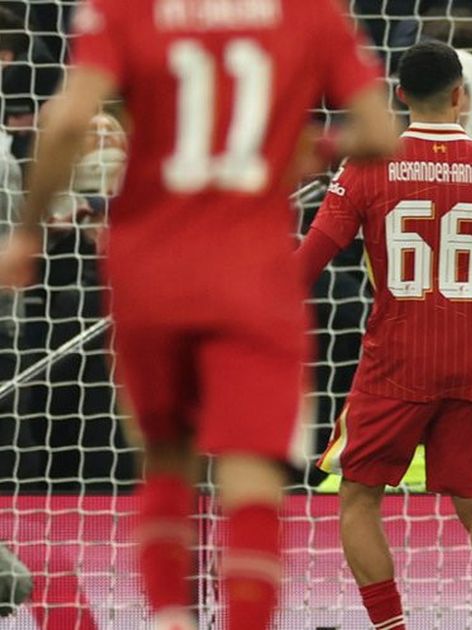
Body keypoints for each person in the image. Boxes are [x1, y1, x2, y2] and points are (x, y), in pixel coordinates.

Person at [0, 1, 397, 628]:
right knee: (250, 469)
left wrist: (25, 234)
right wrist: (306, 145)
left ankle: (168, 617)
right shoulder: (310, 13)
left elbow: (68, 118)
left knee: (165, 454)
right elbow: (379, 134)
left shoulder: (124, 8)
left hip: (148, 267)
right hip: (253, 274)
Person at [295, 41, 472, 630]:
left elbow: (303, 270)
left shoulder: (367, 164)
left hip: (396, 358)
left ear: (400, 94)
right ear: (461, 95)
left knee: (358, 494)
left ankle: (392, 626)